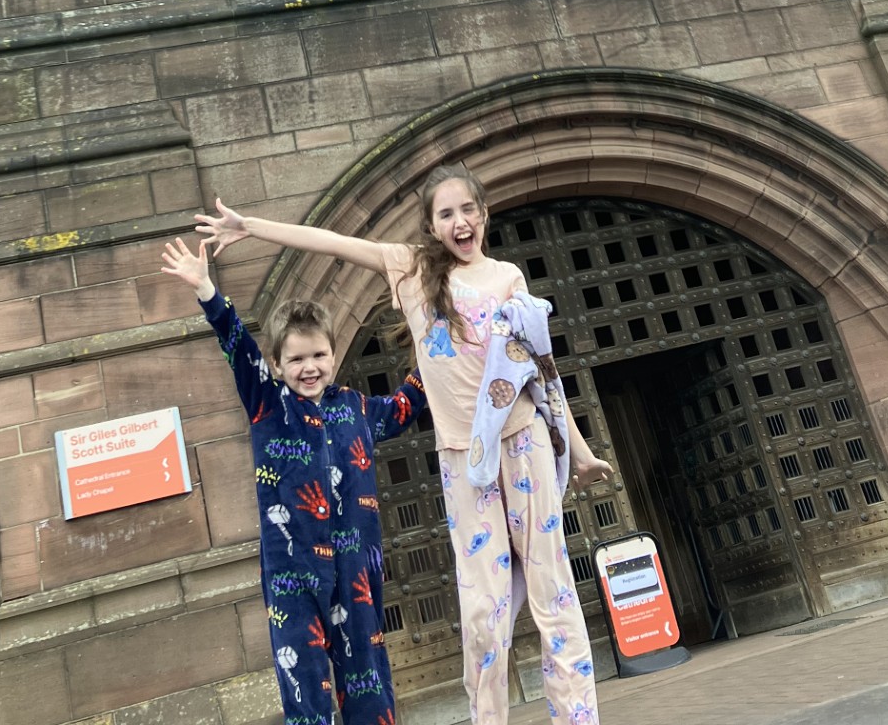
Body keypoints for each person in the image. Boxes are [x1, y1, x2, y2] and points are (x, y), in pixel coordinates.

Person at [196, 167, 612, 725]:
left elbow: (540, 372)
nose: (460, 222)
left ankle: (578, 718)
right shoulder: (411, 272)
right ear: (432, 226)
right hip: (463, 460)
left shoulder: (509, 277)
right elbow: (334, 242)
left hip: (524, 440)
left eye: (469, 209)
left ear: (483, 214)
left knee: (552, 591)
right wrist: (251, 225)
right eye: (446, 214)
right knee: (484, 611)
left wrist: (577, 451)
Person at [161, 235, 425, 725]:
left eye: (319, 356)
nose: (310, 367)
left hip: (356, 570)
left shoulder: (356, 408)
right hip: (292, 571)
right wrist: (207, 292)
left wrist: (435, 333)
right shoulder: (268, 405)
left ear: (333, 356)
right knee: (304, 689)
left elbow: (409, 403)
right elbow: (237, 346)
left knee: (367, 679)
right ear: (279, 365)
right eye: (298, 359)